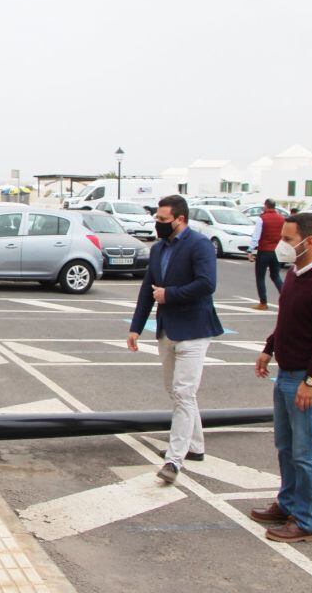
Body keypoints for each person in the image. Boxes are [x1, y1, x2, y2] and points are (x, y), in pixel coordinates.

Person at [252, 212, 312, 543]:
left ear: (311, 242)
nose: (282, 246)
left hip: (307, 379)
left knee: (307, 453)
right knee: (286, 446)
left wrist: (311, 381)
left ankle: (305, 522)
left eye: (288, 240)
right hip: (286, 374)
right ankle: (287, 503)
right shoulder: (294, 275)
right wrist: (269, 349)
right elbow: (287, 320)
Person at [127, 194, 224, 484]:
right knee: (176, 390)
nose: (157, 224)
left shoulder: (200, 245)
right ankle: (195, 446)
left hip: (195, 330)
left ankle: (174, 460)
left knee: (183, 392)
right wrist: (136, 327)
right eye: (156, 219)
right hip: (167, 329)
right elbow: (147, 289)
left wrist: (170, 295)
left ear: (180, 219)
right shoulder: (158, 250)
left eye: (162, 220)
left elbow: (207, 284)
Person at [247, 199, 285, 310]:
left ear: (266, 206)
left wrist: (250, 250)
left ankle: (263, 302)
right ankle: (286, 299)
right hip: (277, 251)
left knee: (260, 277)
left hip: (264, 251)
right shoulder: (281, 219)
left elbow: (256, 236)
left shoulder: (262, 219)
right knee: (275, 275)